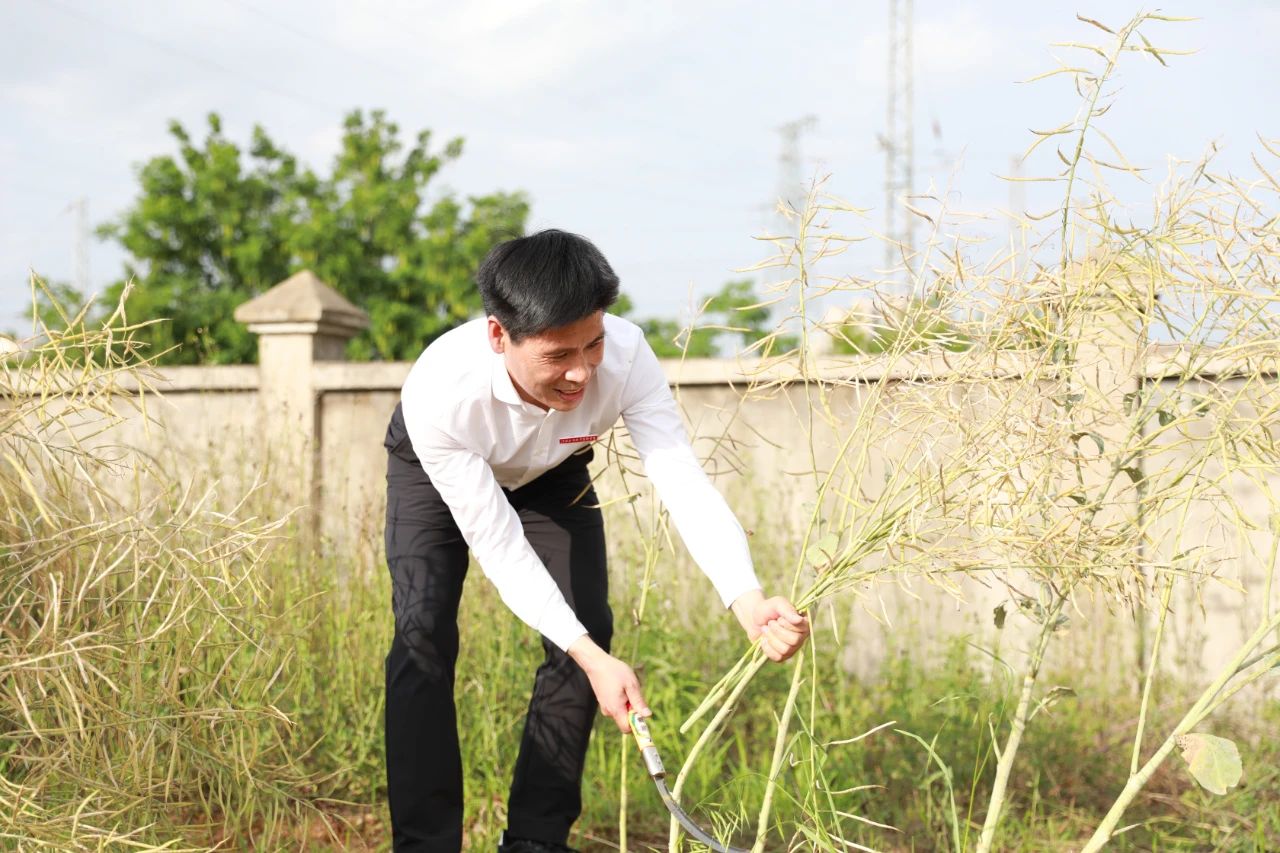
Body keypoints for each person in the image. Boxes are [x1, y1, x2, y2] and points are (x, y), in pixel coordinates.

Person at [383, 229, 810, 852]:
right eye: (558, 355)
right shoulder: (443, 392)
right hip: (437, 471)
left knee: (587, 627)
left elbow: (679, 477)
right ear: (500, 335)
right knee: (423, 635)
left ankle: (536, 841)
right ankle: (425, 845)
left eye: (594, 343)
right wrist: (592, 661)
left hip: (554, 471)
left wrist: (747, 598)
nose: (582, 371)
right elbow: (499, 544)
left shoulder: (630, 356)